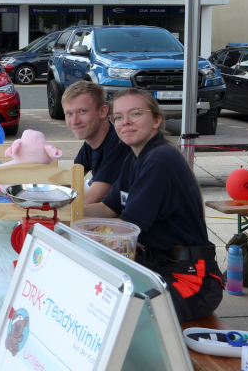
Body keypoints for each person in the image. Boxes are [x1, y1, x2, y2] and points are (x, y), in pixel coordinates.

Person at [84, 88, 224, 323]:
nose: (125, 122)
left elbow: (127, 228)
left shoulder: (161, 159)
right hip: (154, 269)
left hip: (189, 278)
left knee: (117, 317)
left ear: (157, 120)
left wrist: (78, 228)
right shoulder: (134, 157)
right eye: (118, 117)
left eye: (136, 113)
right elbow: (108, 208)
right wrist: (60, 212)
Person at [62, 81, 132, 204]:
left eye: (82, 111)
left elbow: (92, 197)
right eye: (69, 113)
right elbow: (71, 179)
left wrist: (48, 210)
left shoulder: (119, 143)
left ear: (103, 111)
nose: (74, 121)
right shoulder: (91, 140)